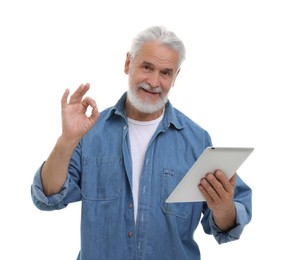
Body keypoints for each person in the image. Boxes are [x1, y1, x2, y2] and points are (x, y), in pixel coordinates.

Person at [31, 25, 252, 260]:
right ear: (128, 63)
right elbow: (47, 196)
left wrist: (222, 207)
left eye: (165, 72)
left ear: (175, 77)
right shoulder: (92, 133)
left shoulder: (197, 140)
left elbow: (229, 221)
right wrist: (66, 141)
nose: (154, 82)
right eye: (147, 67)